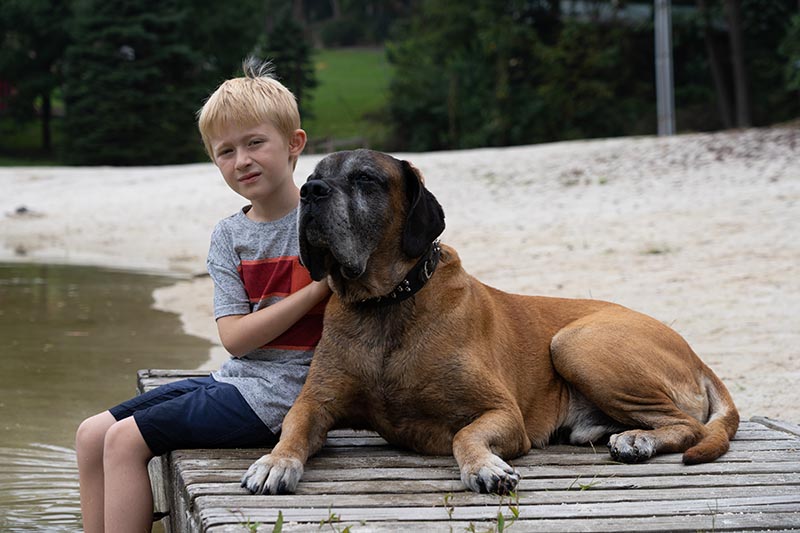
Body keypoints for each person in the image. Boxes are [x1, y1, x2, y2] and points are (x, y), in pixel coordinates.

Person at [75, 58, 331, 533]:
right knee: (92, 434)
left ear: (294, 144)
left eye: (255, 143)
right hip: (239, 379)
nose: (242, 161)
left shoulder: (323, 222)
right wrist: (317, 290)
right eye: (226, 151)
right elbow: (235, 341)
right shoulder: (229, 237)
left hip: (290, 398)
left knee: (125, 442)